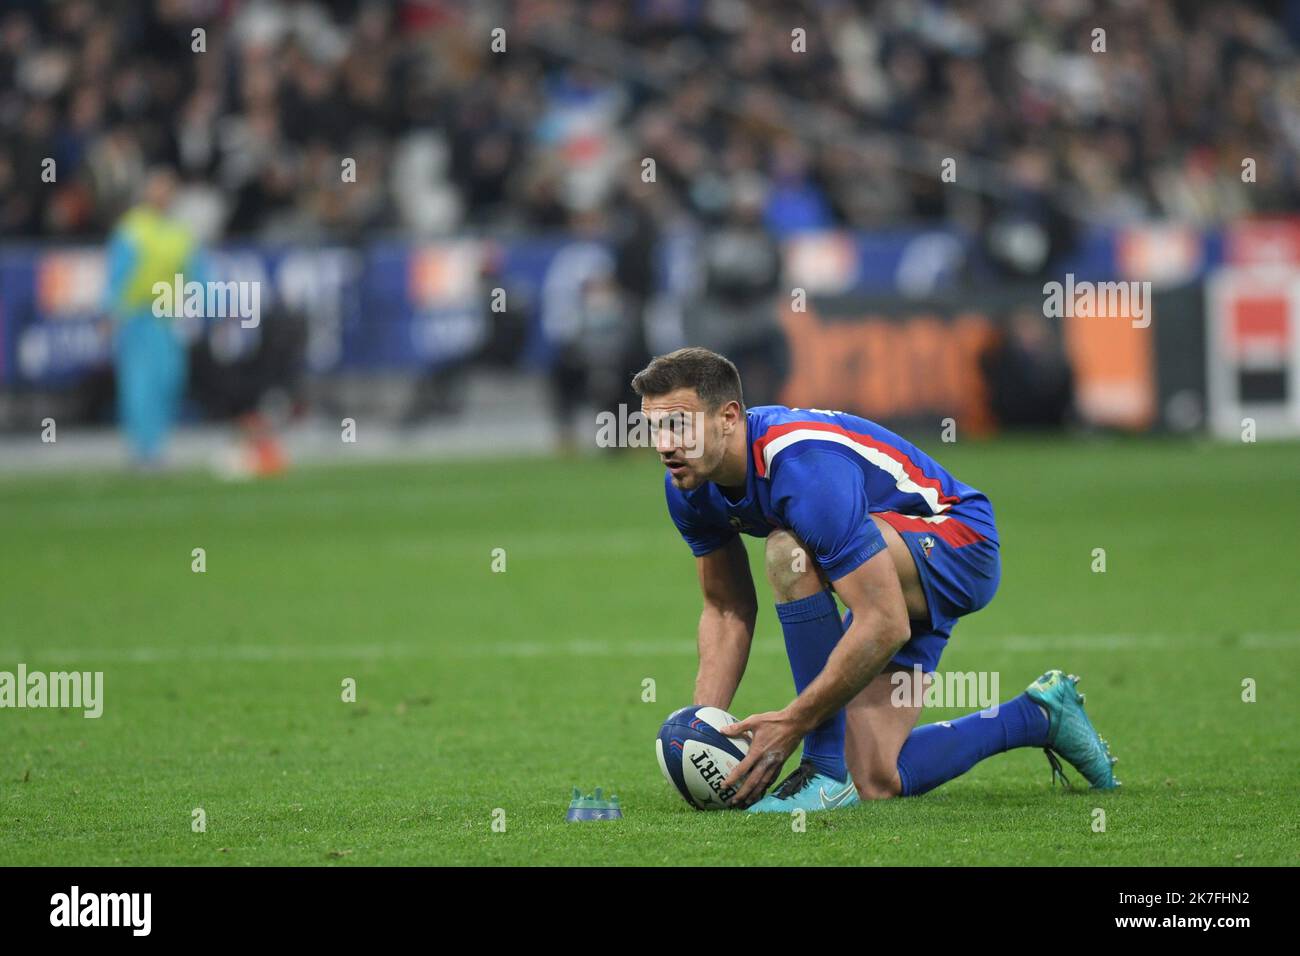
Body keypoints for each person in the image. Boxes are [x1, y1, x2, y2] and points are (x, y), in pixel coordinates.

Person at [633, 347, 1118, 811]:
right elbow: (727, 609)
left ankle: (822, 771)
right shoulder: (686, 485)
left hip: (958, 542)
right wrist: (700, 732)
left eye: (680, 426)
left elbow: (884, 622)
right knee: (875, 776)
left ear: (730, 417)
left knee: (789, 553)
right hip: (887, 568)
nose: (665, 446)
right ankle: (1038, 715)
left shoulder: (802, 467)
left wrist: (794, 723)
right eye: (656, 428)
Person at [103, 168, 203, 468]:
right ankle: (143, 449)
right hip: (137, 316)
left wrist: (214, 308)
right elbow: (117, 274)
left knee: (168, 379)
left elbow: (198, 275)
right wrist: (110, 312)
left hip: (167, 317)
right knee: (139, 383)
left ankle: (156, 444)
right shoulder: (133, 229)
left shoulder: (180, 234)